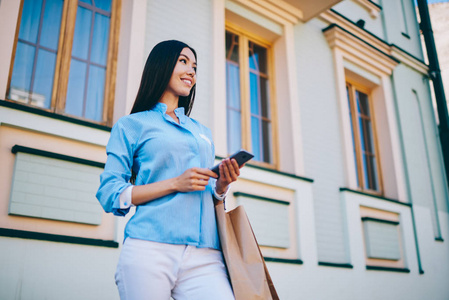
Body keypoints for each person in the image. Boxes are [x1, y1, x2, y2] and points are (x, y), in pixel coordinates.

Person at [96, 40, 241, 300]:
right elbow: (109, 193)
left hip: (205, 254)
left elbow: (206, 192)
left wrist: (220, 188)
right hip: (150, 249)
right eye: (183, 61)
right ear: (161, 65)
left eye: (195, 66)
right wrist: (175, 183)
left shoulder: (202, 132)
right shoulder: (131, 125)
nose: (192, 71)